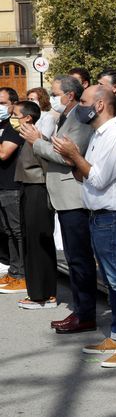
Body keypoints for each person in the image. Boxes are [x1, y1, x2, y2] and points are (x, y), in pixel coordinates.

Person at [54, 86, 116, 367]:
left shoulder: (115, 136)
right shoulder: (98, 135)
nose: (79, 106)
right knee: (111, 282)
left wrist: (75, 157)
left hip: (114, 217)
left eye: (83, 101)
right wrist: (74, 159)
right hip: (99, 216)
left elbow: (99, 178)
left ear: (101, 105)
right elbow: (85, 176)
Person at [20, 76, 97, 316]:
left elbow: (67, 155)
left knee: (78, 258)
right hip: (61, 195)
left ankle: (84, 313)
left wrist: (36, 142)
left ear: (70, 95)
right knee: (74, 258)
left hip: (73, 196)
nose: (52, 98)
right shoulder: (67, 116)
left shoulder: (80, 119)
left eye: (54, 94)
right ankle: (81, 311)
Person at [14, 101, 58, 311]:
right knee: (31, 242)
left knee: (39, 242)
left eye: (16, 115)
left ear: (28, 118)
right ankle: (38, 292)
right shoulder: (26, 138)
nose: (14, 119)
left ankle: (43, 295)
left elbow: (47, 166)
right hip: (28, 190)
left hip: (38, 191)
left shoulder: (37, 139)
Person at [0, 88, 27, 294]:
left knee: (18, 232)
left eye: (2, 103)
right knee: (8, 231)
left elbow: (4, 153)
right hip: (2, 186)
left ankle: (23, 275)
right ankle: (14, 270)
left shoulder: (14, 127)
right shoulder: (4, 125)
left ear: (12, 104)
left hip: (13, 186)